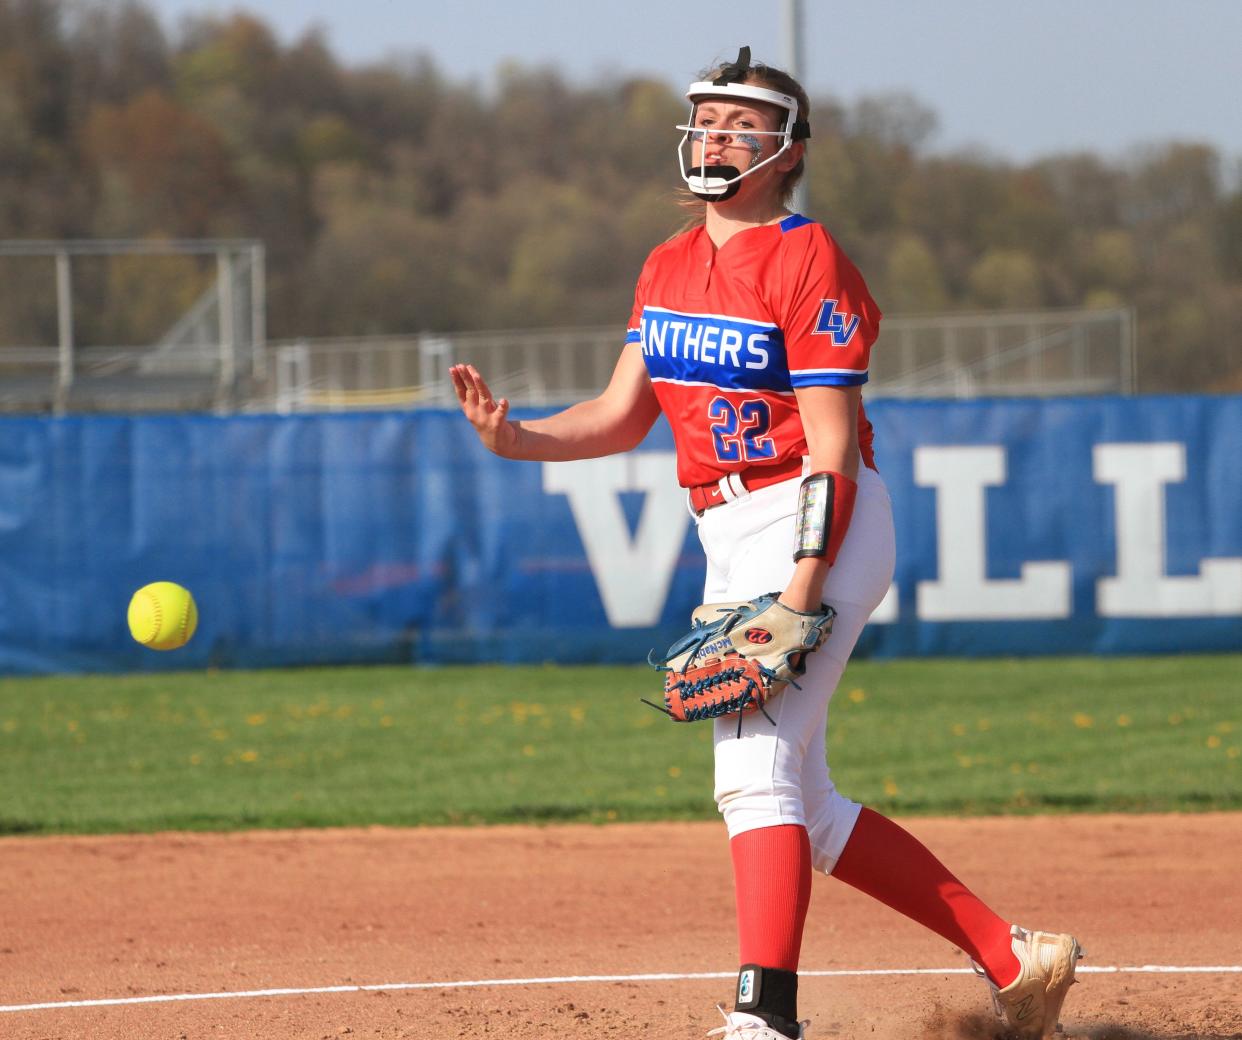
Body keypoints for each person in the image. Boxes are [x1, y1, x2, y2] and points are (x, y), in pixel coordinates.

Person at [451, 46, 1083, 1040]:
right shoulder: (666, 265)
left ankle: (763, 1017)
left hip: (813, 515)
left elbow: (830, 448)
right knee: (805, 800)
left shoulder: (806, 255)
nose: (715, 136)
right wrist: (516, 436)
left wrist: (799, 589)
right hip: (728, 523)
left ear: (787, 152)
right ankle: (1016, 957)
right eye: (706, 119)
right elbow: (624, 415)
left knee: (751, 770)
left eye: (741, 123)